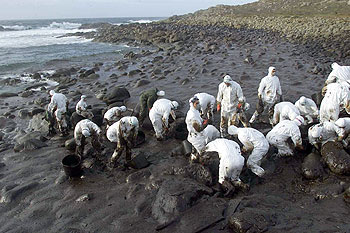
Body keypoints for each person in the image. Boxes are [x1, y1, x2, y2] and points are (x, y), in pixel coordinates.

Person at [186, 96, 221, 162]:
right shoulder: (193, 116)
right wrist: (206, 123)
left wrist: (203, 120)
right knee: (201, 153)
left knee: (194, 151)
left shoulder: (194, 111)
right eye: (196, 103)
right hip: (197, 138)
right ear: (192, 104)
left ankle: (194, 159)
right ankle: (197, 163)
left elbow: (199, 121)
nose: (198, 104)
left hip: (194, 136)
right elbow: (198, 129)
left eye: (198, 103)